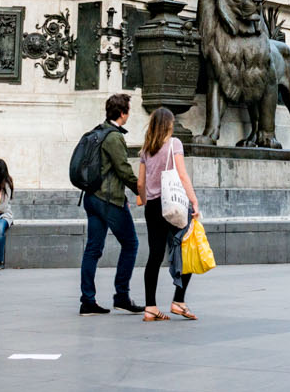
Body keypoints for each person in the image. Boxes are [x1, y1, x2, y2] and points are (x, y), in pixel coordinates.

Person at [134, 107, 202, 322]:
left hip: (152, 207)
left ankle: (150, 307)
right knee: (186, 249)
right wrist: (193, 200)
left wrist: (143, 200)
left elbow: (141, 182)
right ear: (169, 125)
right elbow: (182, 174)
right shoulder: (174, 144)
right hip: (173, 205)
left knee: (154, 256)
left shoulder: (146, 149)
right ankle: (178, 301)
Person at [78, 92, 139, 316]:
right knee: (131, 244)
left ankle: (87, 300)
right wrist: (142, 190)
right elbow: (123, 170)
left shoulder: (99, 131)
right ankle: (121, 296)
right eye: (128, 111)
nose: (128, 115)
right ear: (123, 113)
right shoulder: (114, 137)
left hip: (92, 198)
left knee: (93, 249)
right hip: (108, 200)